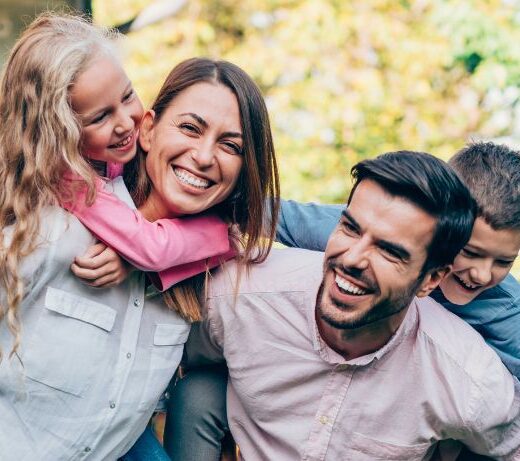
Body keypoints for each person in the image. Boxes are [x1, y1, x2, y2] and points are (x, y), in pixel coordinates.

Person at [0, 22, 279, 459]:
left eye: (231, 145)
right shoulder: (58, 217)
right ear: (152, 130)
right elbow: (148, 243)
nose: (204, 157)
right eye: (190, 128)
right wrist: (144, 255)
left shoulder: (213, 270)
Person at [166, 141, 520, 460]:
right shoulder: (246, 295)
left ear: (432, 276)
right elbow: (274, 216)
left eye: (390, 251)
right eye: (350, 228)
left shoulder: (480, 358)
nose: (481, 274)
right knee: (199, 389)